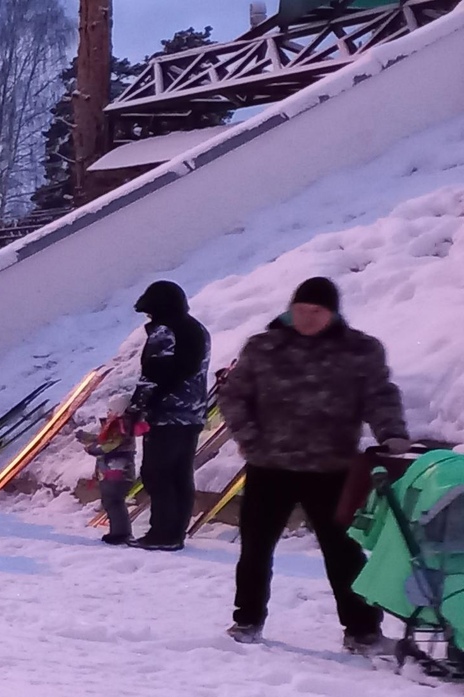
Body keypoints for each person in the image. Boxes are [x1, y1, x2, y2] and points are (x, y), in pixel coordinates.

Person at [219, 276, 411, 650]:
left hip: (331, 467)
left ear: (333, 313)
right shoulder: (264, 347)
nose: (307, 318)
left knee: (343, 552)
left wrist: (393, 433)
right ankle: (247, 621)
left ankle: (362, 629)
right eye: (301, 310)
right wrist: (250, 438)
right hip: (269, 466)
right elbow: (234, 396)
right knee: (256, 548)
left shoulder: (360, 350)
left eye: (316, 311)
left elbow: (379, 395)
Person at [125, 281, 211, 549]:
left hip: (168, 415)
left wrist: (136, 407)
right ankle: (175, 534)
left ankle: (161, 533)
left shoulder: (165, 331)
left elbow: (155, 374)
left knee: (156, 473)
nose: (148, 318)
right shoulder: (198, 329)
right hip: (193, 414)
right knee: (180, 474)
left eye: (150, 313)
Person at [78, 409, 141, 545]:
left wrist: (90, 447)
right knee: (111, 502)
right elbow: (104, 439)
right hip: (112, 472)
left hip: (117, 472)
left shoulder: (121, 426)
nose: (109, 412)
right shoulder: (119, 426)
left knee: (114, 501)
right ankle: (118, 532)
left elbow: (106, 445)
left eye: (111, 410)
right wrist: (87, 438)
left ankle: (120, 533)